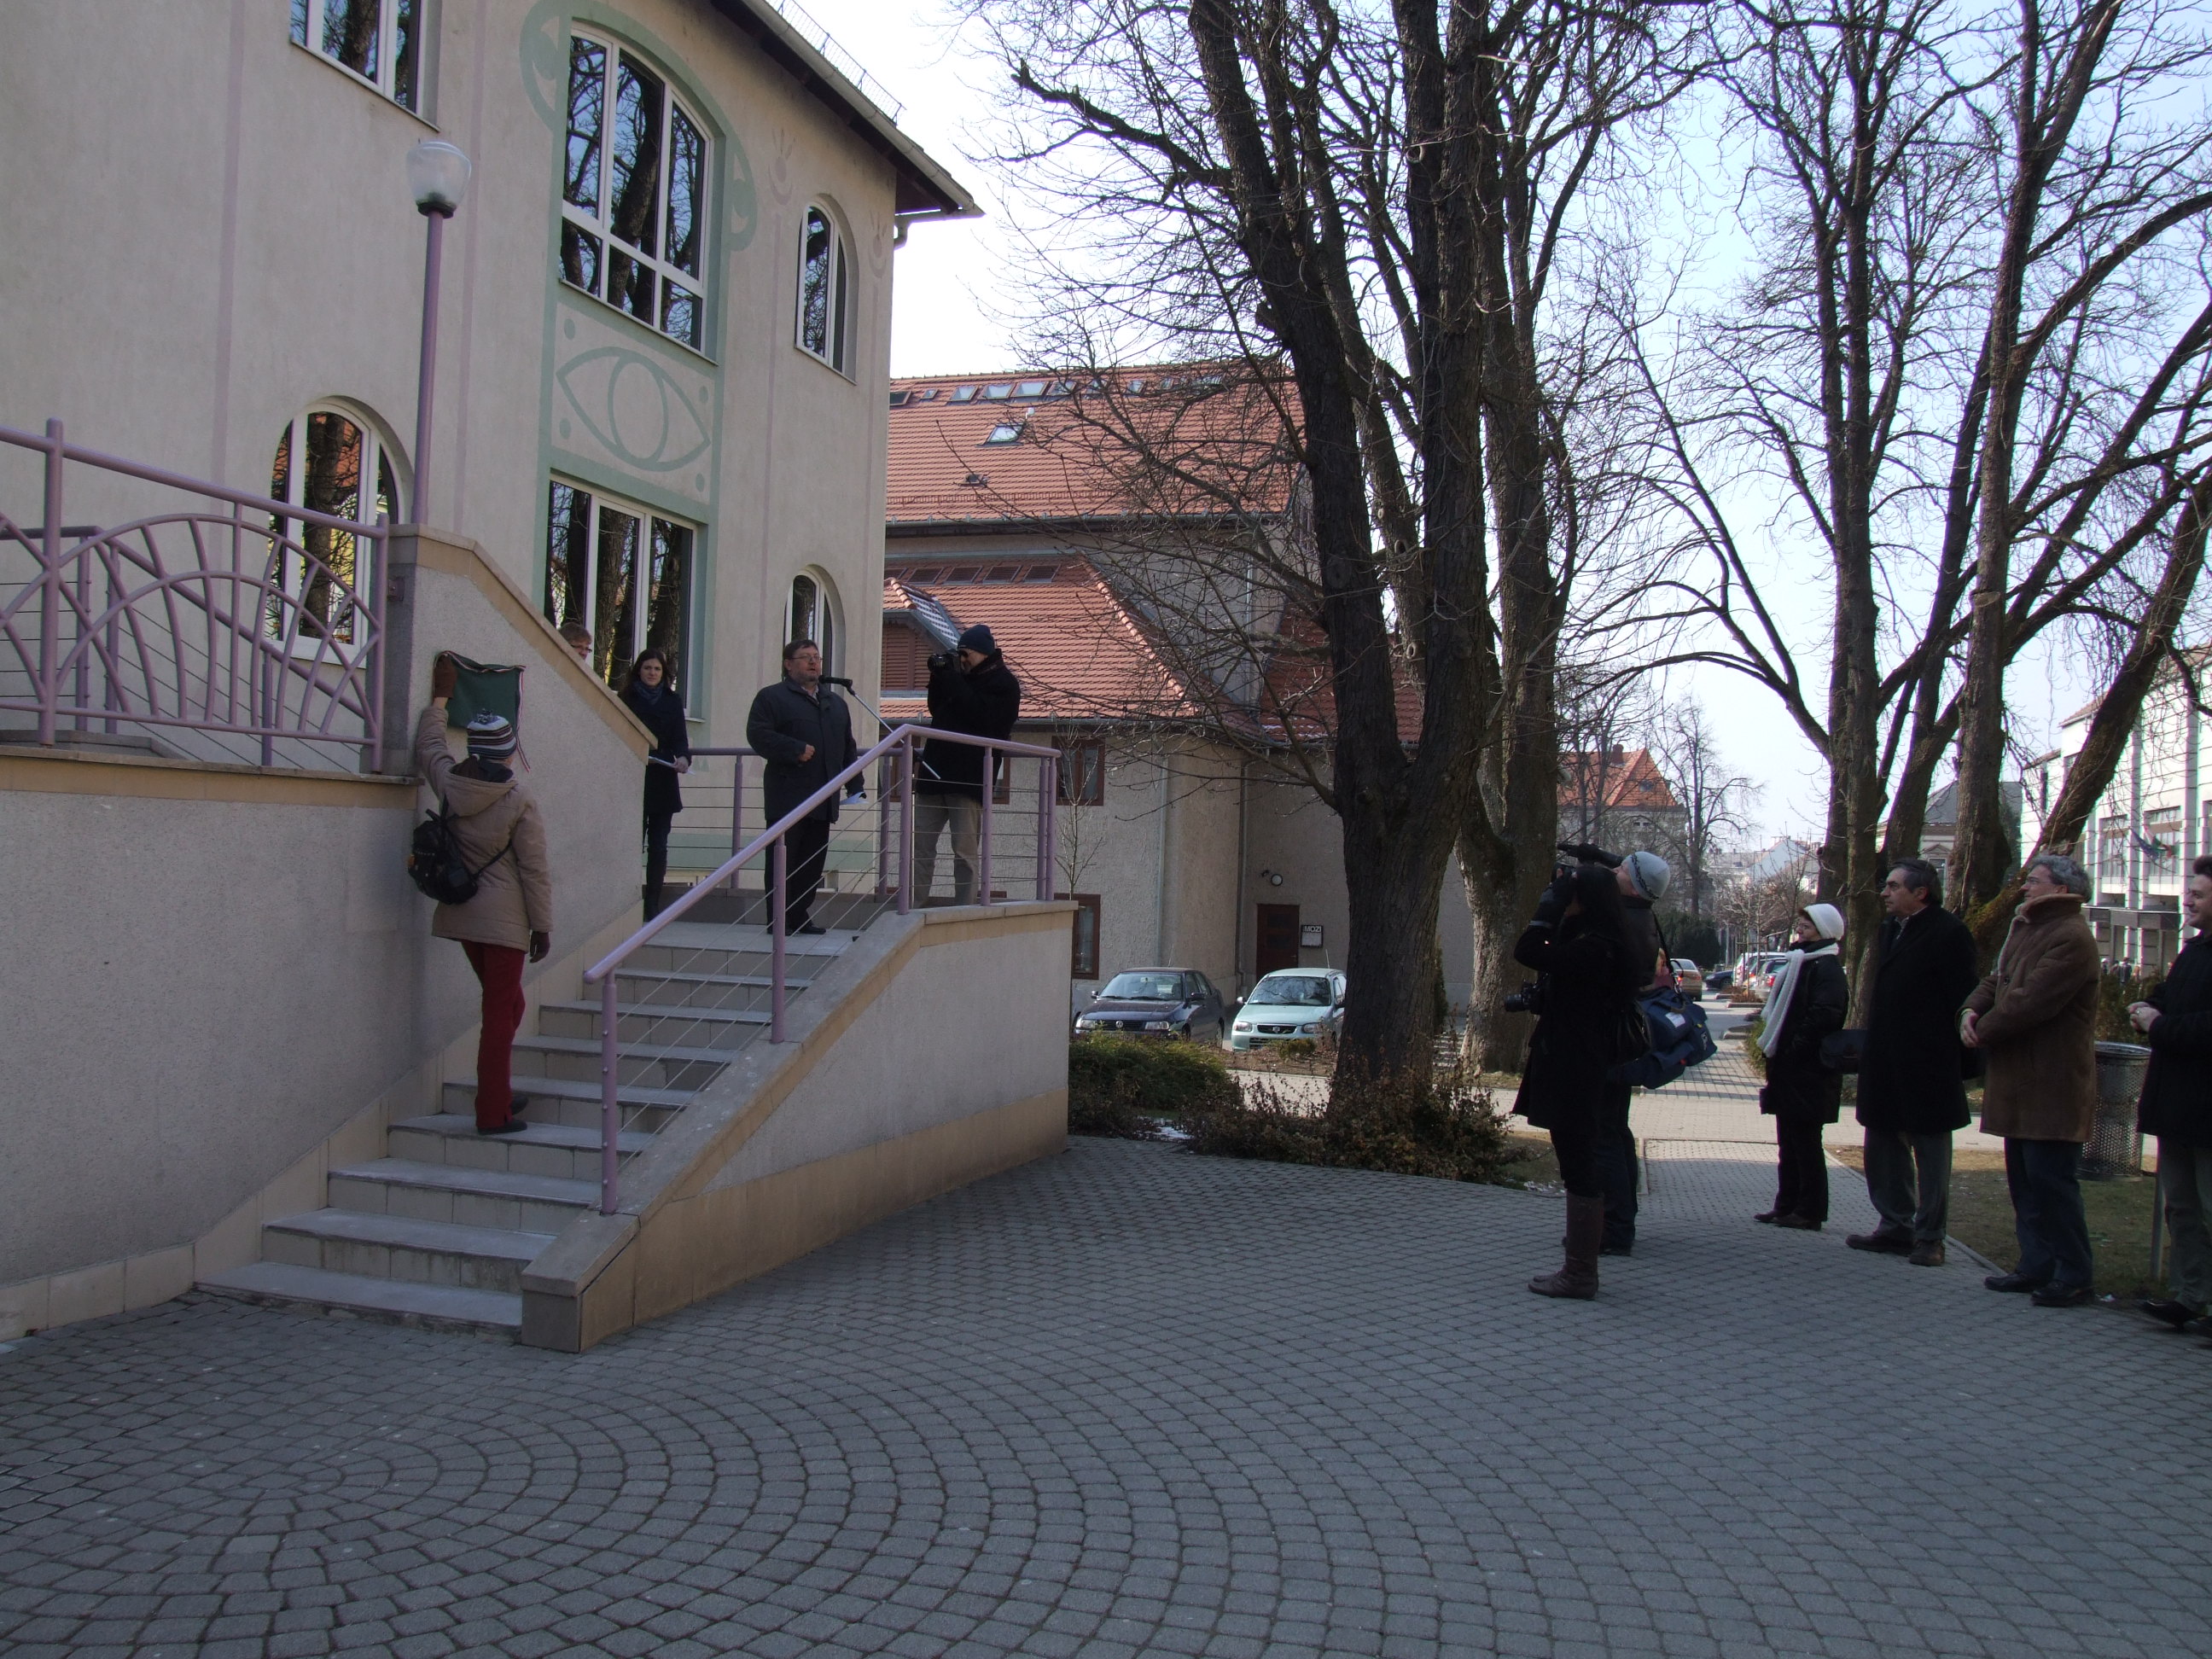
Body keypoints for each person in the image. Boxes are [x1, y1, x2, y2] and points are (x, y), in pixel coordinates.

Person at [417, 655, 552, 1135]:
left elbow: (429, 745)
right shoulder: (518, 799)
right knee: (499, 1014)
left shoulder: (450, 782)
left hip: (463, 914)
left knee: (509, 1005)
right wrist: (542, 927)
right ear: (508, 752)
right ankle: (492, 1112)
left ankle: (497, 1089)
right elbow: (534, 871)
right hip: (505, 923)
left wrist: (440, 699)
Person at [1963, 853, 2101, 1305]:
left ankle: (2073, 1274)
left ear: (2061, 889)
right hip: (2020, 1082)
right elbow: (1998, 980)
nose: (2024, 887)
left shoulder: (2071, 936)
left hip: (2053, 1085)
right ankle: (2035, 1265)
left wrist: (1982, 1031)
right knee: (2025, 1181)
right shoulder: (2026, 927)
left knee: (2051, 1183)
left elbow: (2031, 1001)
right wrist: (1970, 1010)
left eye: (2034, 881)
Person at [1511, 864, 1646, 1300]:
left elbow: (1527, 950)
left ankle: (1581, 1272)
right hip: (1577, 1062)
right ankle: (1579, 1267)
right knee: (1576, 1158)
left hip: (1574, 1067)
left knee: (1578, 1162)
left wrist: (1546, 909)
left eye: (1569, 893)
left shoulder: (1595, 950)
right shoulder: (1601, 942)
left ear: (1586, 900)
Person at [1849, 859, 1979, 1266]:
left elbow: (1963, 997)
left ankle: (1930, 1237)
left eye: (1893, 886)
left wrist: (1955, 1056)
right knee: (1883, 1144)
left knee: (1931, 1151)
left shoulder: (1949, 932)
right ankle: (1894, 1226)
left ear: (1920, 893)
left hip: (1929, 1062)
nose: (1884, 893)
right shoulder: (1890, 929)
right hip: (1887, 1058)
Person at [2130, 856, 2212, 1334]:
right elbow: (2172, 999)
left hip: (2206, 1108)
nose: (2188, 901)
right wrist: (2147, 1007)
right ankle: (2189, 1295)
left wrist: (2159, 1025)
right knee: (2181, 1206)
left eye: (2198, 894)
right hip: (2176, 1103)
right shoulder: (2194, 949)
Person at [746, 639, 859, 934]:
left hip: (823, 797)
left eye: (817, 657)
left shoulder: (835, 703)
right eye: (805, 657)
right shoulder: (772, 697)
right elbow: (758, 734)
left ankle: (798, 916)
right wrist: (794, 749)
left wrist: (855, 783)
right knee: (783, 861)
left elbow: (847, 747)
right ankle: (778, 920)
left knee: (811, 864)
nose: (813, 662)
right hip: (788, 796)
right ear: (788, 664)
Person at [1594, 849, 1672, 1254]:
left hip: (1607, 1038)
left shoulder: (1621, 920)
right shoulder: (1644, 918)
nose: (1614, 871)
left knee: (1604, 1134)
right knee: (1616, 1129)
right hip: (1622, 1039)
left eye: (1622, 868)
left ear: (1635, 885)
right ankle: (1622, 1216)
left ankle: (1614, 1226)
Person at [1754, 904, 1848, 1230]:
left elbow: (1825, 1014)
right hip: (1788, 1067)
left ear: (1824, 932)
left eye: (1807, 927)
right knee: (1788, 1142)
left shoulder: (1826, 968)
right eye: (1800, 925)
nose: (1799, 931)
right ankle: (1786, 1204)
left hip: (1810, 1070)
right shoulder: (1799, 963)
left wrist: (1794, 1047)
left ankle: (1809, 1210)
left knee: (1806, 1142)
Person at [914, 624, 1022, 904]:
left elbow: (982, 719)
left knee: (964, 851)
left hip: (969, 778)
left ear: (983, 653)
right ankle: (912, 906)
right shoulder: (958, 677)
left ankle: (964, 907)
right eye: (958, 654)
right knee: (921, 847)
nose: (961, 660)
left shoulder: (1004, 684)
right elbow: (937, 710)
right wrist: (938, 677)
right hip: (934, 773)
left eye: (965, 654)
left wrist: (953, 679)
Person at [620, 649, 690, 920]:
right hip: (634, 777)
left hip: (663, 778)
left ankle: (653, 904)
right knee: (631, 843)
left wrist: (684, 758)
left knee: (659, 845)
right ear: (639, 670)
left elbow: (680, 738)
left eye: (657, 669)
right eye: (648, 668)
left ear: (664, 673)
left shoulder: (672, 701)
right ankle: (627, 901)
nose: (652, 673)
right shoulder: (626, 698)